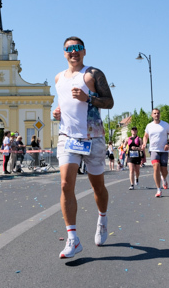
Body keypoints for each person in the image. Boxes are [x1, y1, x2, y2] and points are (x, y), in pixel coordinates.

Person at [53, 36, 113, 258]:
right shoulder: (59, 78)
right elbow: (64, 102)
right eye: (69, 49)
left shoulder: (93, 74)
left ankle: (102, 218)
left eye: (78, 48)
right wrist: (57, 111)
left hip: (93, 137)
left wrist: (89, 99)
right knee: (65, 184)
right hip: (67, 137)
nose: (74, 52)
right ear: (64, 53)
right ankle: (73, 239)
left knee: (98, 187)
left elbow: (110, 101)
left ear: (84, 51)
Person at [142, 108, 169, 198]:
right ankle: (158, 189)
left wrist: (168, 143)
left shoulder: (165, 125)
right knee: (156, 167)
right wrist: (144, 143)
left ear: (160, 115)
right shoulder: (149, 126)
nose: (156, 114)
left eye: (158, 113)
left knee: (164, 171)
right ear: (152, 115)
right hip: (153, 149)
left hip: (164, 150)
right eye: (155, 113)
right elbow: (145, 136)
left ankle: (164, 178)